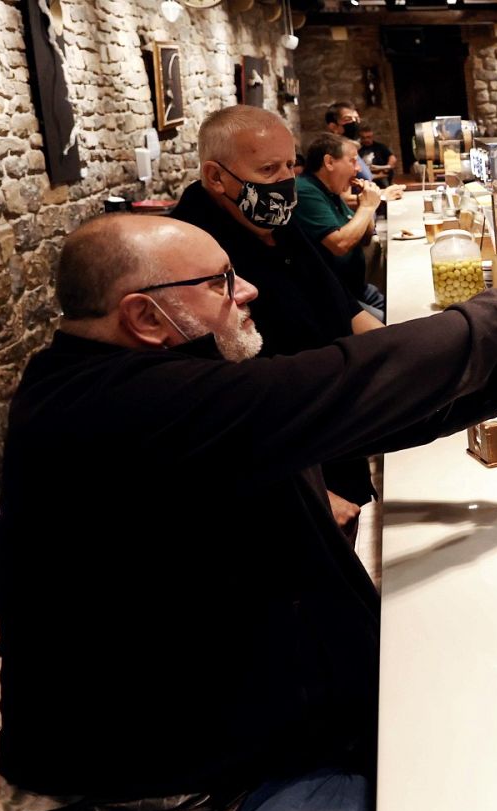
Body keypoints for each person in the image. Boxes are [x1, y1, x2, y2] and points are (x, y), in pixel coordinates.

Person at [0, 213, 497, 811]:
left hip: (233, 749)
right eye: (219, 281)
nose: (246, 289)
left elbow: (340, 418)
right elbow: (335, 385)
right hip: (168, 808)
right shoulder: (111, 409)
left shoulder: (163, 380)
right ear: (144, 317)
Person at [174, 105, 383, 535]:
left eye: (291, 165)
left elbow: (347, 313)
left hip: (332, 429)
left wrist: (422, 360)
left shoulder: (278, 223)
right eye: (268, 169)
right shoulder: (187, 249)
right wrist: (307, 493)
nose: (285, 181)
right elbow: (206, 403)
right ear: (216, 177)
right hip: (279, 473)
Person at [295, 132, 402, 321]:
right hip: (335, 297)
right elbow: (340, 244)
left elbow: (366, 237)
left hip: (359, 289)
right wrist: (368, 206)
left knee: (405, 309)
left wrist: (365, 205)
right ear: (329, 162)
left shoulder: (332, 191)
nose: (358, 168)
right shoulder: (306, 191)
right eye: (352, 161)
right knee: (395, 324)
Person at [325, 101, 373, 183]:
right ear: (333, 127)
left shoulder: (351, 148)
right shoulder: (334, 152)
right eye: (348, 119)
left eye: (357, 119)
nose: (355, 123)